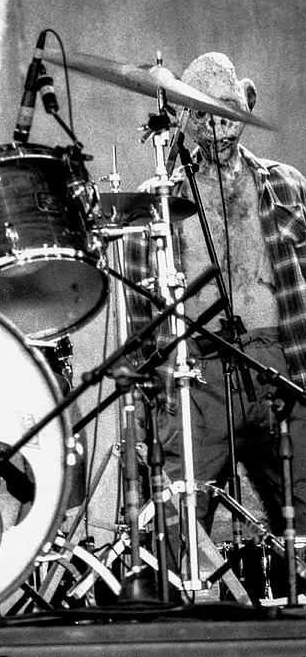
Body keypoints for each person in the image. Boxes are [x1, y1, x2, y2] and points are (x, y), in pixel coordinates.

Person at [124, 51, 306, 547]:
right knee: (179, 527)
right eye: (201, 112)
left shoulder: (287, 184)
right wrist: (152, 398)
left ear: (245, 105)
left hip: (283, 368)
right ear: (182, 117)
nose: (218, 126)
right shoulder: (156, 200)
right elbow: (143, 319)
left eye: (227, 110)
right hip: (198, 374)